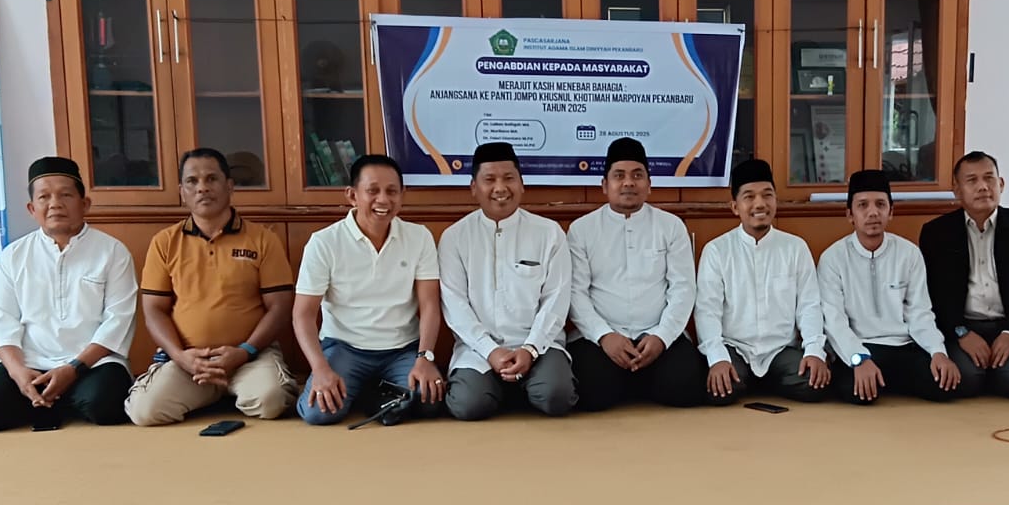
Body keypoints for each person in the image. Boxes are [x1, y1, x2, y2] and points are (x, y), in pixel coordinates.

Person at [124, 148, 299, 425]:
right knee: (145, 411)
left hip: (250, 355)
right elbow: (154, 310)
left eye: (211, 179)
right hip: (189, 360)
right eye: (192, 181)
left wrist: (244, 351)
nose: (202, 188)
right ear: (182, 192)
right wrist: (180, 357)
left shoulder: (263, 239)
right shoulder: (165, 242)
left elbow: (280, 307)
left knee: (271, 401)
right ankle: (213, 391)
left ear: (229, 186)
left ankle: (226, 390)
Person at [0, 157, 137, 431]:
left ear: (84, 204)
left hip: (90, 364)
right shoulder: (13, 256)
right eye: (44, 197)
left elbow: (118, 320)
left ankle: (46, 400)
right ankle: (49, 397)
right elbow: (0, 323)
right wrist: (18, 373)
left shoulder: (113, 252)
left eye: (65, 195)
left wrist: (73, 369)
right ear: (32, 209)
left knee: (106, 406)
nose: (55, 204)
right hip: (30, 362)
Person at [291, 153, 444, 426]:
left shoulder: (419, 236)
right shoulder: (324, 242)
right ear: (352, 195)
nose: (383, 200)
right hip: (345, 347)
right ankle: (362, 389)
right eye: (372, 191)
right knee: (319, 413)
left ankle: (370, 392)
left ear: (402, 195)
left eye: (392, 191)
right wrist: (320, 368)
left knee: (428, 400)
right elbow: (302, 314)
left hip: (401, 349)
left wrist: (425, 357)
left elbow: (430, 305)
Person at [438, 141, 575, 420]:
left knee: (556, 396)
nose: (500, 188)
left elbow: (556, 300)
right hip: (478, 349)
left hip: (539, 345)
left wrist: (530, 349)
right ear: (474, 187)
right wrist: (490, 351)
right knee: (468, 405)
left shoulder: (549, 233)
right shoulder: (454, 238)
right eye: (489, 180)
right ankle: (503, 387)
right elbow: (454, 305)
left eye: (509, 178)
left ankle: (523, 384)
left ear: (522, 184)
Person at [568, 136, 704, 410]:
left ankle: (634, 378)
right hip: (602, 338)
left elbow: (683, 289)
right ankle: (637, 380)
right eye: (619, 176)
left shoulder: (671, 226)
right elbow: (575, 293)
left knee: (687, 386)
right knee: (591, 390)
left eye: (637, 175)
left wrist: (661, 337)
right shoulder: (582, 229)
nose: (628, 183)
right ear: (605, 185)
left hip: (656, 334)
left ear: (649, 184)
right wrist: (605, 336)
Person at [818, 169, 960, 405]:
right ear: (850, 214)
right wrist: (859, 359)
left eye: (880, 204)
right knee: (854, 390)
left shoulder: (909, 254)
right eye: (863, 205)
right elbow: (834, 321)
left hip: (903, 347)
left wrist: (938, 352)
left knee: (945, 384)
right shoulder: (833, 258)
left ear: (891, 211)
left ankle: (886, 381)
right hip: (861, 346)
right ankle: (880, 379)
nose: (873, 212)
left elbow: (920, 313)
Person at [696, 158, 830, 405]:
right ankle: (753, 379)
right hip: (736, 348)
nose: (760, 204)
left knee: (814, 383)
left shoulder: (795, 248)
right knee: (720, 389)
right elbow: (707, 310)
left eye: (767, 195)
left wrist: (813, 351)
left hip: (781, 350)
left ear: (775, 201)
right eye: (749, 197)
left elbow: (809, 306)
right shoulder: (717, 250)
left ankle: (766, 379)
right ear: (735, 207)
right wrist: (718, 358)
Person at [917, 150, 1009, 400]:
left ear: (1001, 184)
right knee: (963, 379)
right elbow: (934, 294)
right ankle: (986, 370)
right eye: (972, 180)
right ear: (957, 190)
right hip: (963, 327)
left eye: (989, 178)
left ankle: (1000, 368)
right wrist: (960, 332)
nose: (983, 187)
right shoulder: (937, 233)